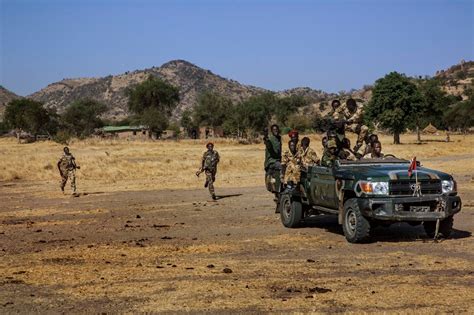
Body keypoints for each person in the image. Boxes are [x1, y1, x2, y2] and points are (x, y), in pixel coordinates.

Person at [264, 124, 282, 193]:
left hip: (277, 160)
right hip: (272, 161)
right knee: (281, 167)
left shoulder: (278, 138)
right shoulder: (271, 139)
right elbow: (268, 145)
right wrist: (265, 137)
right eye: (274, 130)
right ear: (271, 131)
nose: (276, 131)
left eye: (277, 129)